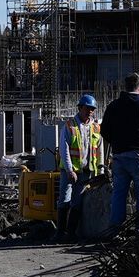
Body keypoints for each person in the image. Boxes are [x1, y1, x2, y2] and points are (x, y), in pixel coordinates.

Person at [100, 72, 139, 235]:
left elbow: (104, 131)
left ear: (125, 86)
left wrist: (117, 143)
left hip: (120, 156)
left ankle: (115, 230)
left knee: (119, 194)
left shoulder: (114, 106)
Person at [59, 93, 104, 236]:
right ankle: (60, 233)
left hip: (85, 172)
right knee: (64, 200)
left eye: (92, 109)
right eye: (87, 108)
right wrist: (69, 170)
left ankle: (71, 234)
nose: (90, 111)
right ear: (80, 108)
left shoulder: (96, 127)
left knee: (77, 202)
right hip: (69, 171)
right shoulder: (70, 125)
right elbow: (64, 149)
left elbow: (99, 151)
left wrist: (100, 170)